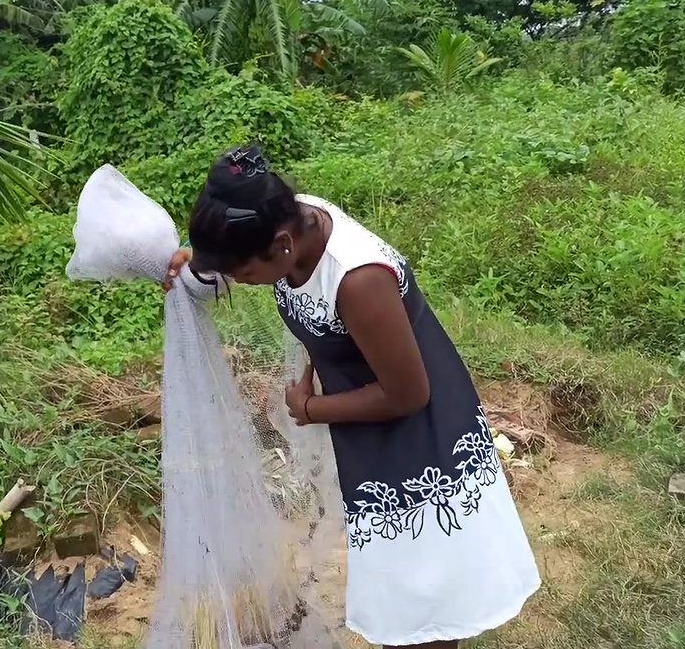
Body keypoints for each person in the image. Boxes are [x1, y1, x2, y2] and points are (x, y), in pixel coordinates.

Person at [163, 145, 540, 649]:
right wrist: (197, 256)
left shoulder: (360, 279)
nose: (240, 282)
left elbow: (408, 393)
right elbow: (319, 317)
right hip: (368, 421)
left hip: (418, 439)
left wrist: (311, 408)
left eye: (244, 273)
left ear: (281, 246)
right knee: (401, 591)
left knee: (427, 597)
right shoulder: (295, 220)